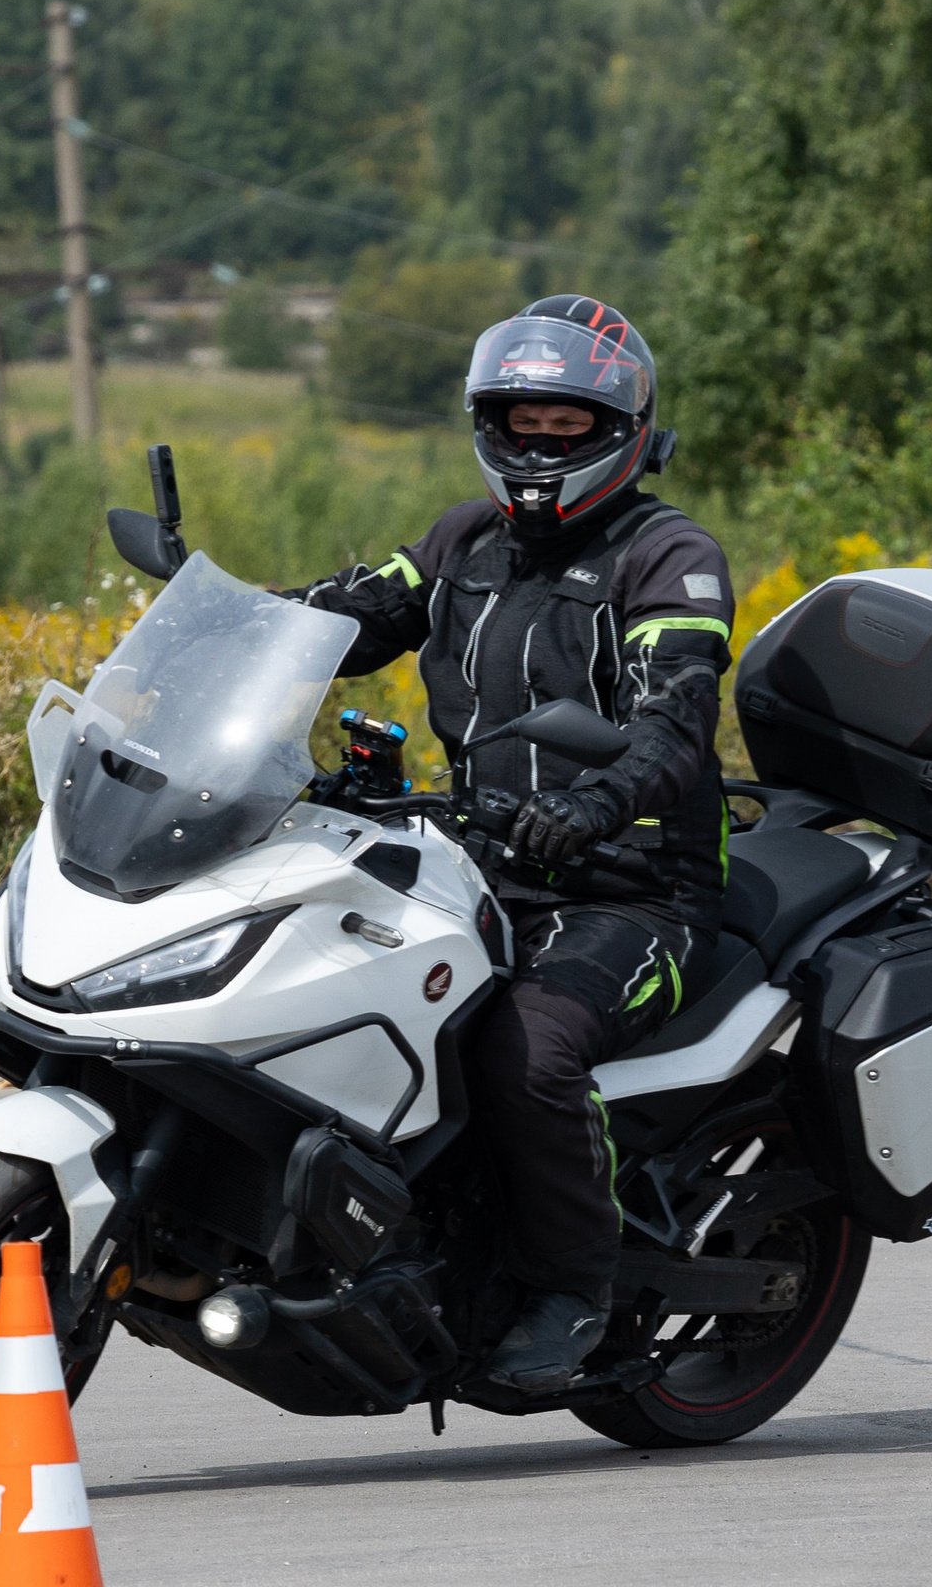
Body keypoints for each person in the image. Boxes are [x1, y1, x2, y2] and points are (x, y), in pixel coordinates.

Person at [286, 295, 736, 1391]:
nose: (538, 442)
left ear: (621, 427)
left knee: (524, 1052)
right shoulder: (461, 541)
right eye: (520, 417)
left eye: (566, 423)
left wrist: (597, 803)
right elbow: (340, 617)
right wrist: (220, 627)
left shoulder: (666, 556)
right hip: (477, 867)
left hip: (632, 890)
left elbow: (678, 721)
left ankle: (572, 1285)